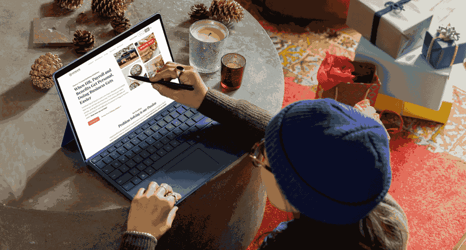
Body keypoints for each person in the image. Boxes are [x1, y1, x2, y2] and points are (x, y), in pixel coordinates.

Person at [119, 62, 409, 250]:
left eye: (263, 156)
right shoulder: (381, 213)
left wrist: (141, 238)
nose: (258, 155)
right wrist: (206, 99)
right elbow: (305, 143)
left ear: (292, 191)